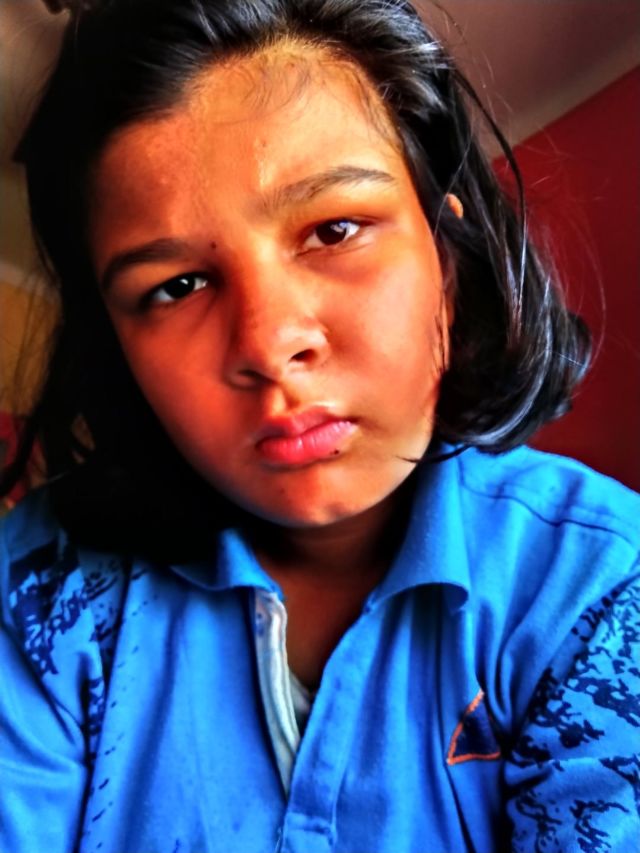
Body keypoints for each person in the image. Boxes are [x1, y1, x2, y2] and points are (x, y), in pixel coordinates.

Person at [0, 1, 638, 851]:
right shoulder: (40, 586)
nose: (268, 345)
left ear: (446, 265)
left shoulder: (596, 585)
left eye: (334, 230)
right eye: (176, 287)